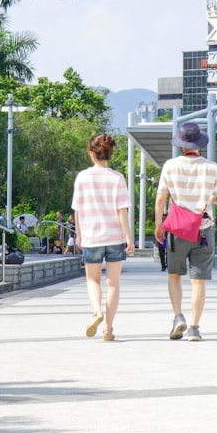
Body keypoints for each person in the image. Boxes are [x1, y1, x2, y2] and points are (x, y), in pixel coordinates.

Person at [154, 122, 217, 342]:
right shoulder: (212, 167)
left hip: (177, 229)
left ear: (181, 144)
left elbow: (161, 198)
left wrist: (159, 225)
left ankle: (178, 317)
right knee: (198, 281)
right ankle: (194, 328)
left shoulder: (170, 165)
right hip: (203, 229)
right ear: (199, 144)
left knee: (174, 275)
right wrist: (209, 199)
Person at [72, 133, 135, 341]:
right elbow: (121, 210)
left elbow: (78, 210)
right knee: (113, 284)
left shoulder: (82, 177)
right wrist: (129, 237)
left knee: (92, 279)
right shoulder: (117, 178)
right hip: (115, 237)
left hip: (91, 237)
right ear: (110, 153)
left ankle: (97, 311)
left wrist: (79, 236)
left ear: (92, 153)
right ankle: (108, 329)